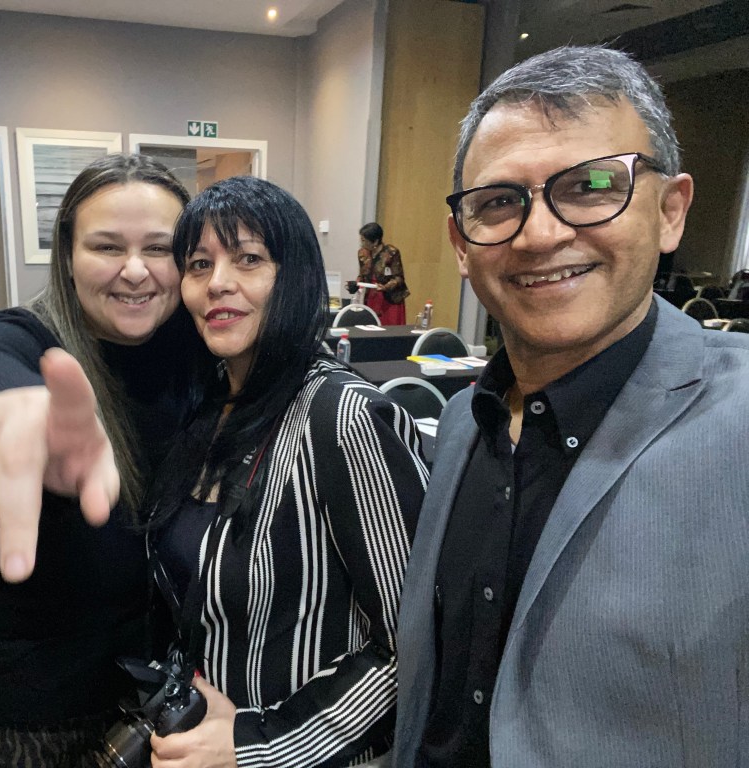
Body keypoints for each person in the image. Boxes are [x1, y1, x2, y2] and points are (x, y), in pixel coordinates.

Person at [393, 46, 748, 767]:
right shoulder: (463, 425)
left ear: (670, 211)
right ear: (461, 243)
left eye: (590, 186)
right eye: (499, 201)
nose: (540, 234)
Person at [0, 155, 207, 767]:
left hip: (126, 684)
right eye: (107, 246)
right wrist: (6, 415)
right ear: (67, 256)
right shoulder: (22, 340)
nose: (135, 269)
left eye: (159, 248)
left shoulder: (193, 349)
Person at [146, 177, 429, 767]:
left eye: (248, 259)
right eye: (199, 264)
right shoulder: (207, 407)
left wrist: (256, 744)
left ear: (294, 275)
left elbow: (413, 640)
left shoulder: (344, 416)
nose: (218, 282)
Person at [353, 222, 408, 324]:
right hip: (371, 296)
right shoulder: (362, 253)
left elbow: (398, 278)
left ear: (375, 242)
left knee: (388, 327)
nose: (362, 244)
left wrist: (385, 287)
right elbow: (363, 274)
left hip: (389, 299)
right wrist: (356, 283)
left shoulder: (391, 253)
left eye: (364, 241)